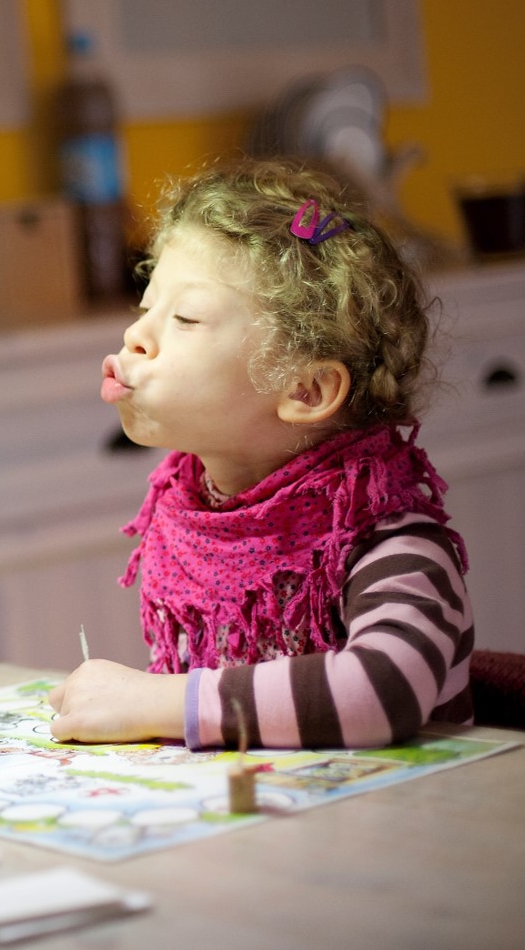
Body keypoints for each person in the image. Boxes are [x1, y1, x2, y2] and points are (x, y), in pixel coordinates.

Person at [47, 160, 472, 751]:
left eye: (186, 318)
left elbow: (384, 689)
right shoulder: (190, 528)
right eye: (145, 308)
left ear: (306, 391)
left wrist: (151, 701)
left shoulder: (388, 540)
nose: (135, 336)